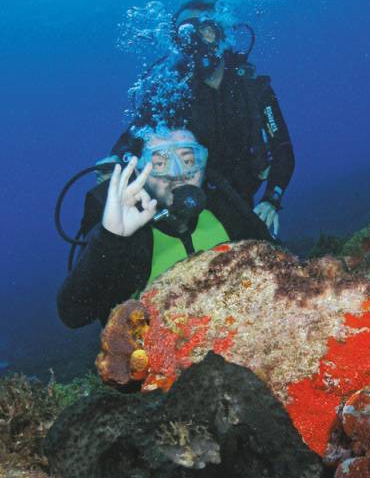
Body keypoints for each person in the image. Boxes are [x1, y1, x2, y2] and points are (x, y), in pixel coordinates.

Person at [109, 0, 295, 238]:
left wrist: (271, 199)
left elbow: (282, 149)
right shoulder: (174, 92)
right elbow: (137, 133)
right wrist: (115, 161)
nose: (197, 42)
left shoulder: (253, 89)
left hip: (241, 198)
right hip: (188, 203)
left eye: (205, 31)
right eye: (187, 36)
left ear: (221, 34)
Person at [57, 128, 271, 328]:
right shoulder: (131, 237)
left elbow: (273, 264)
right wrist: (110, 237)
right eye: (160, 163)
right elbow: (73, 315)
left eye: (188, 160)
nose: (178, 173)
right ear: (139, 171)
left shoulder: (225, 210)